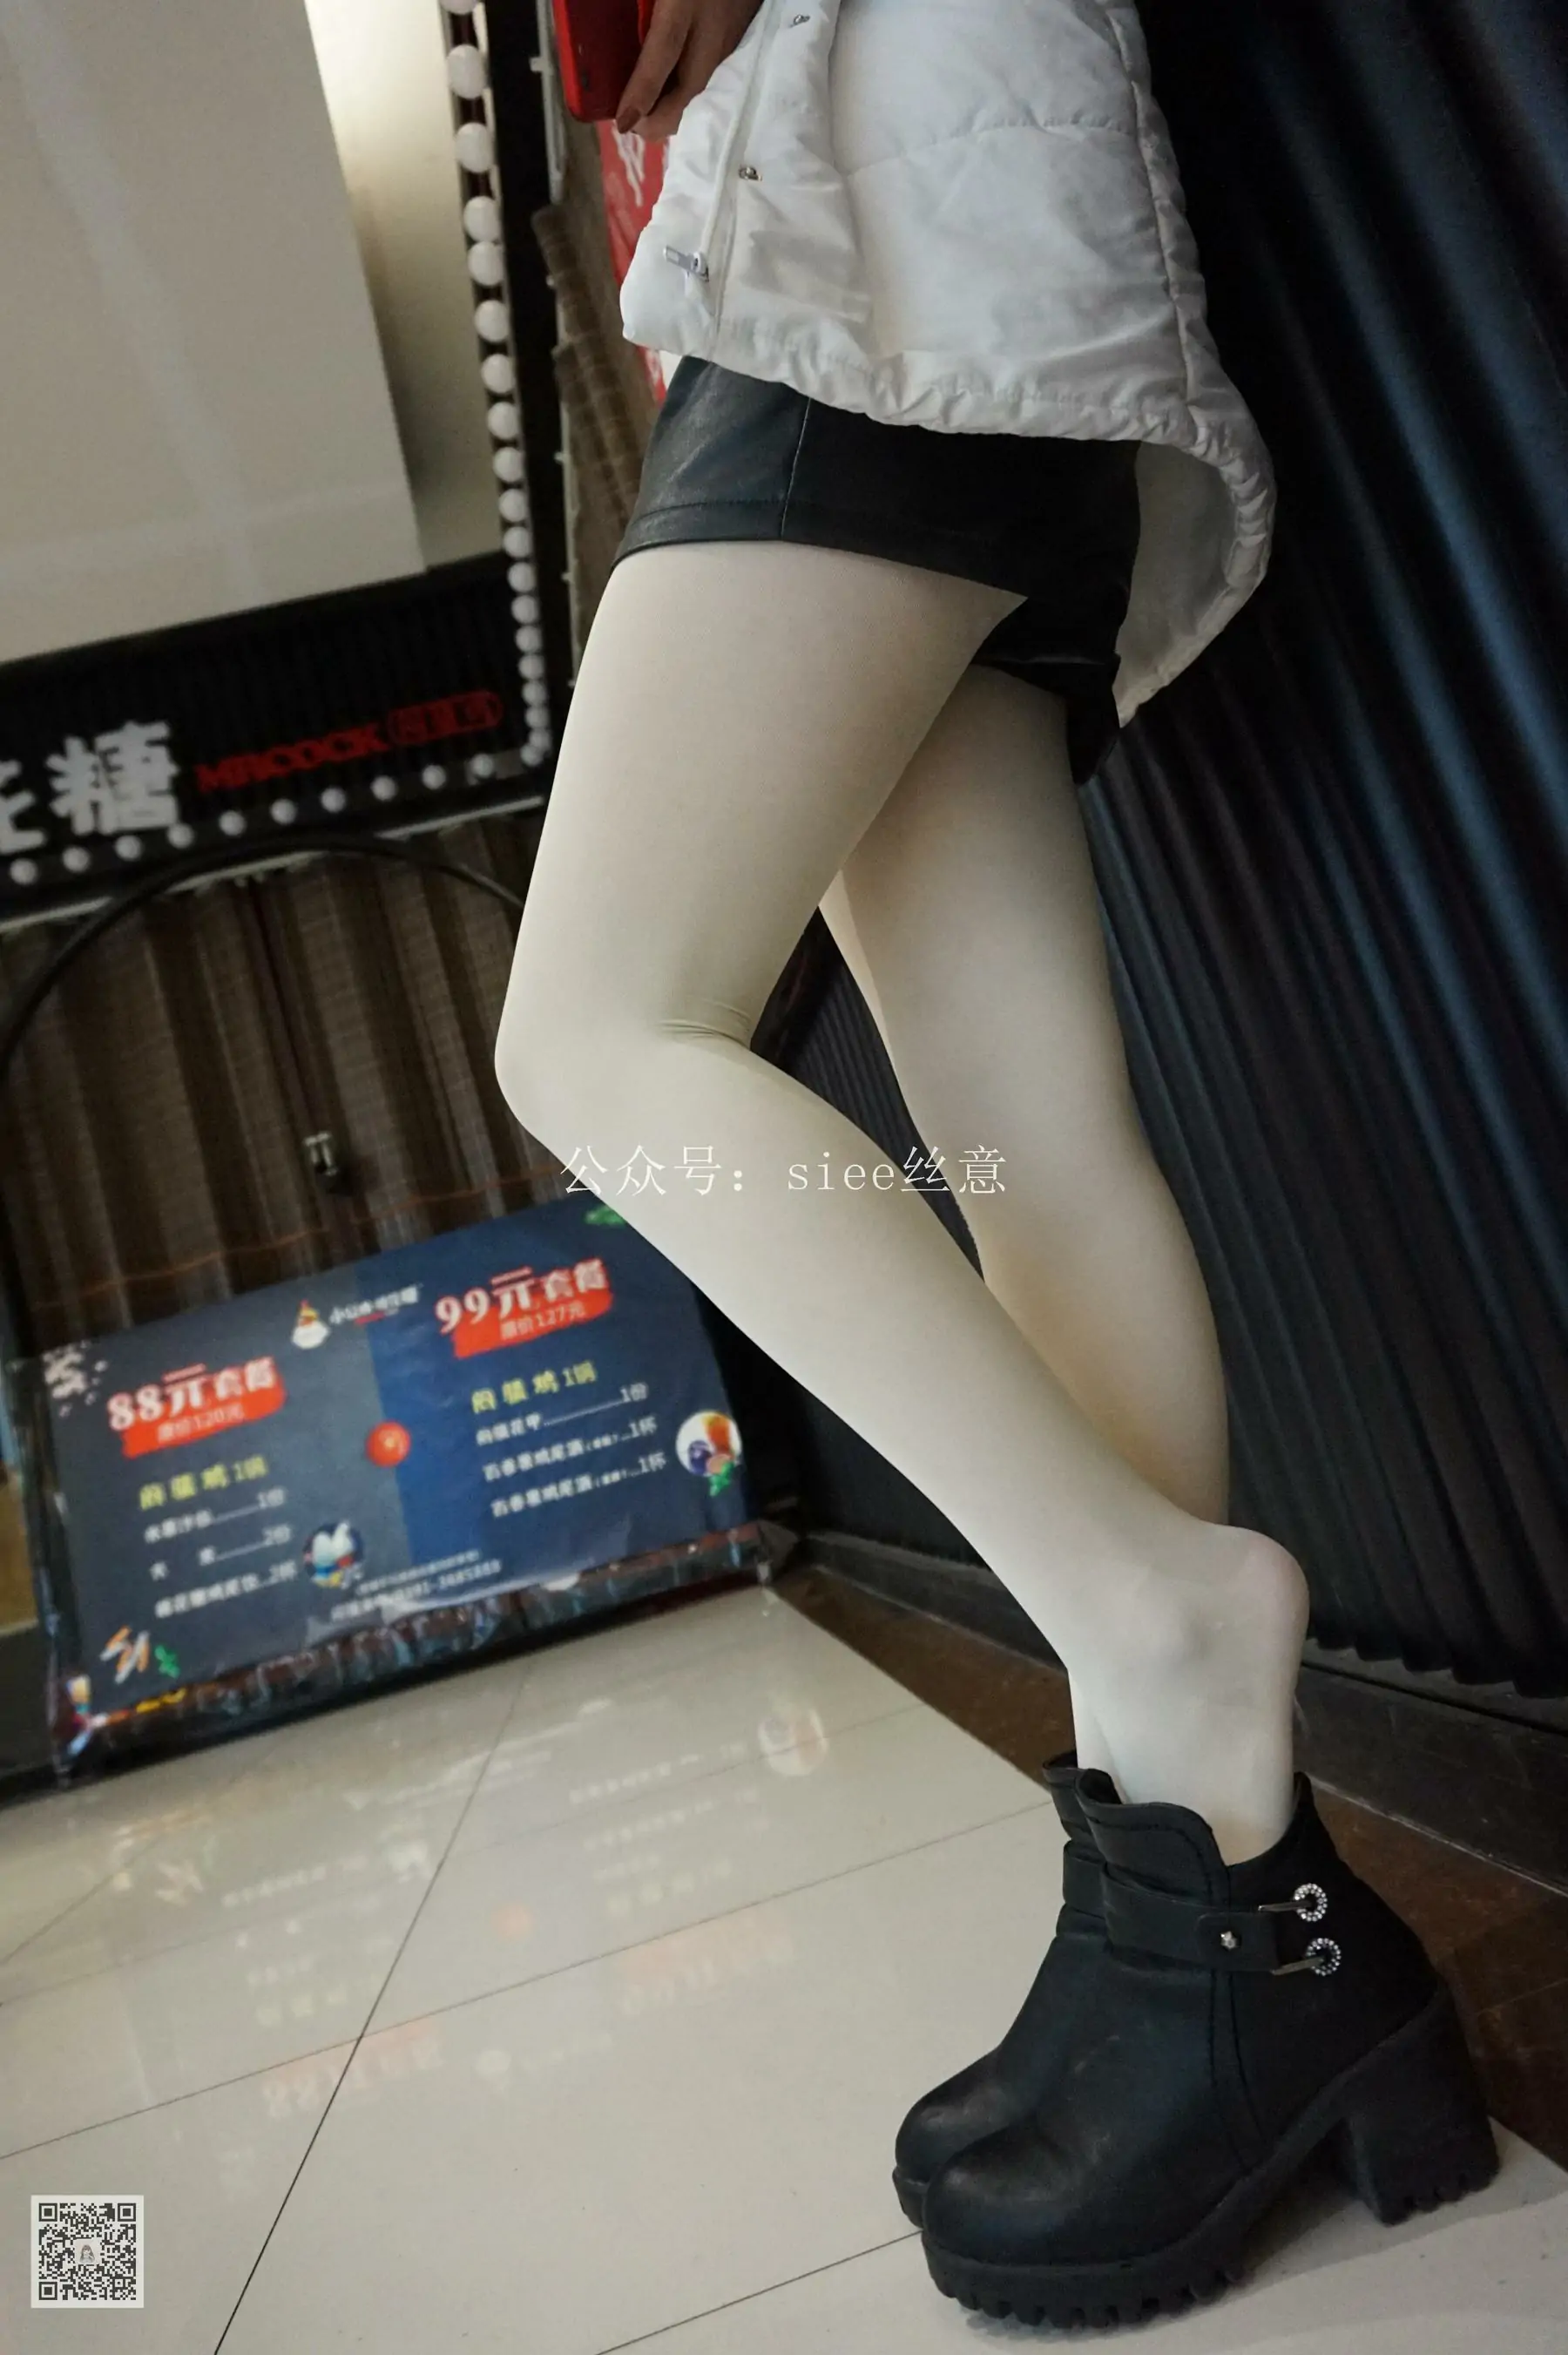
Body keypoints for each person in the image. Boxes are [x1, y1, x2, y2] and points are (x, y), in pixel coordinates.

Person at [494, 0, 1498, 2325]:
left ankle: (1167, 1625)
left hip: (885, 232)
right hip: (953, 247)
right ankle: (1214, 1886)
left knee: (598, 1037)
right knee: (1021, 1140)